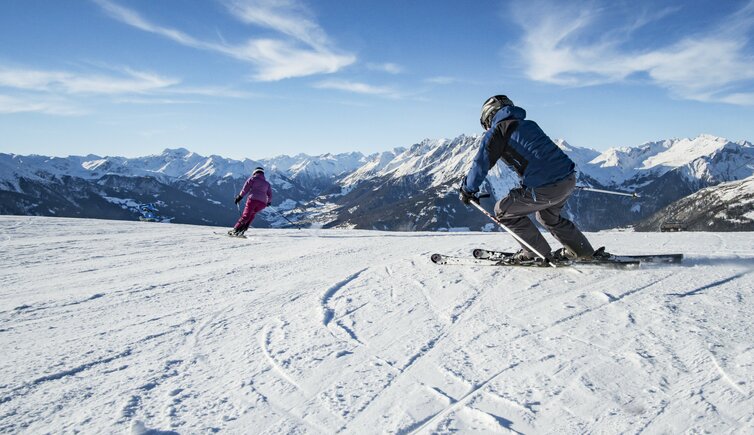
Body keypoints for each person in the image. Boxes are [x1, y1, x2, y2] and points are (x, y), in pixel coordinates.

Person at [459, 95, 596, 263]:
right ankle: (583, 251)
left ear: (489, 117)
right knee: (548, 218)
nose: (487, 128)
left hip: (546, 186)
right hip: (568, 179)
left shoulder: (497, 132)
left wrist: (467, 189)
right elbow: (540, 158)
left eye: (486, 124)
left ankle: (536, 253)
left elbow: (481, 164)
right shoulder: (529, 125)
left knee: (502, 210)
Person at [229, 167, 272, 236]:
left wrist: (240, 197)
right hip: (262, 203)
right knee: (252, 214)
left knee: (246, 215)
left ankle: (236, 230)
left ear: (254, 173)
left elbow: (245, 189)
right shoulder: (267, 183)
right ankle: (242, 230)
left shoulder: (252, 179)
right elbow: (270, 194)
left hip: (253, 200)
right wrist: (268, 202)